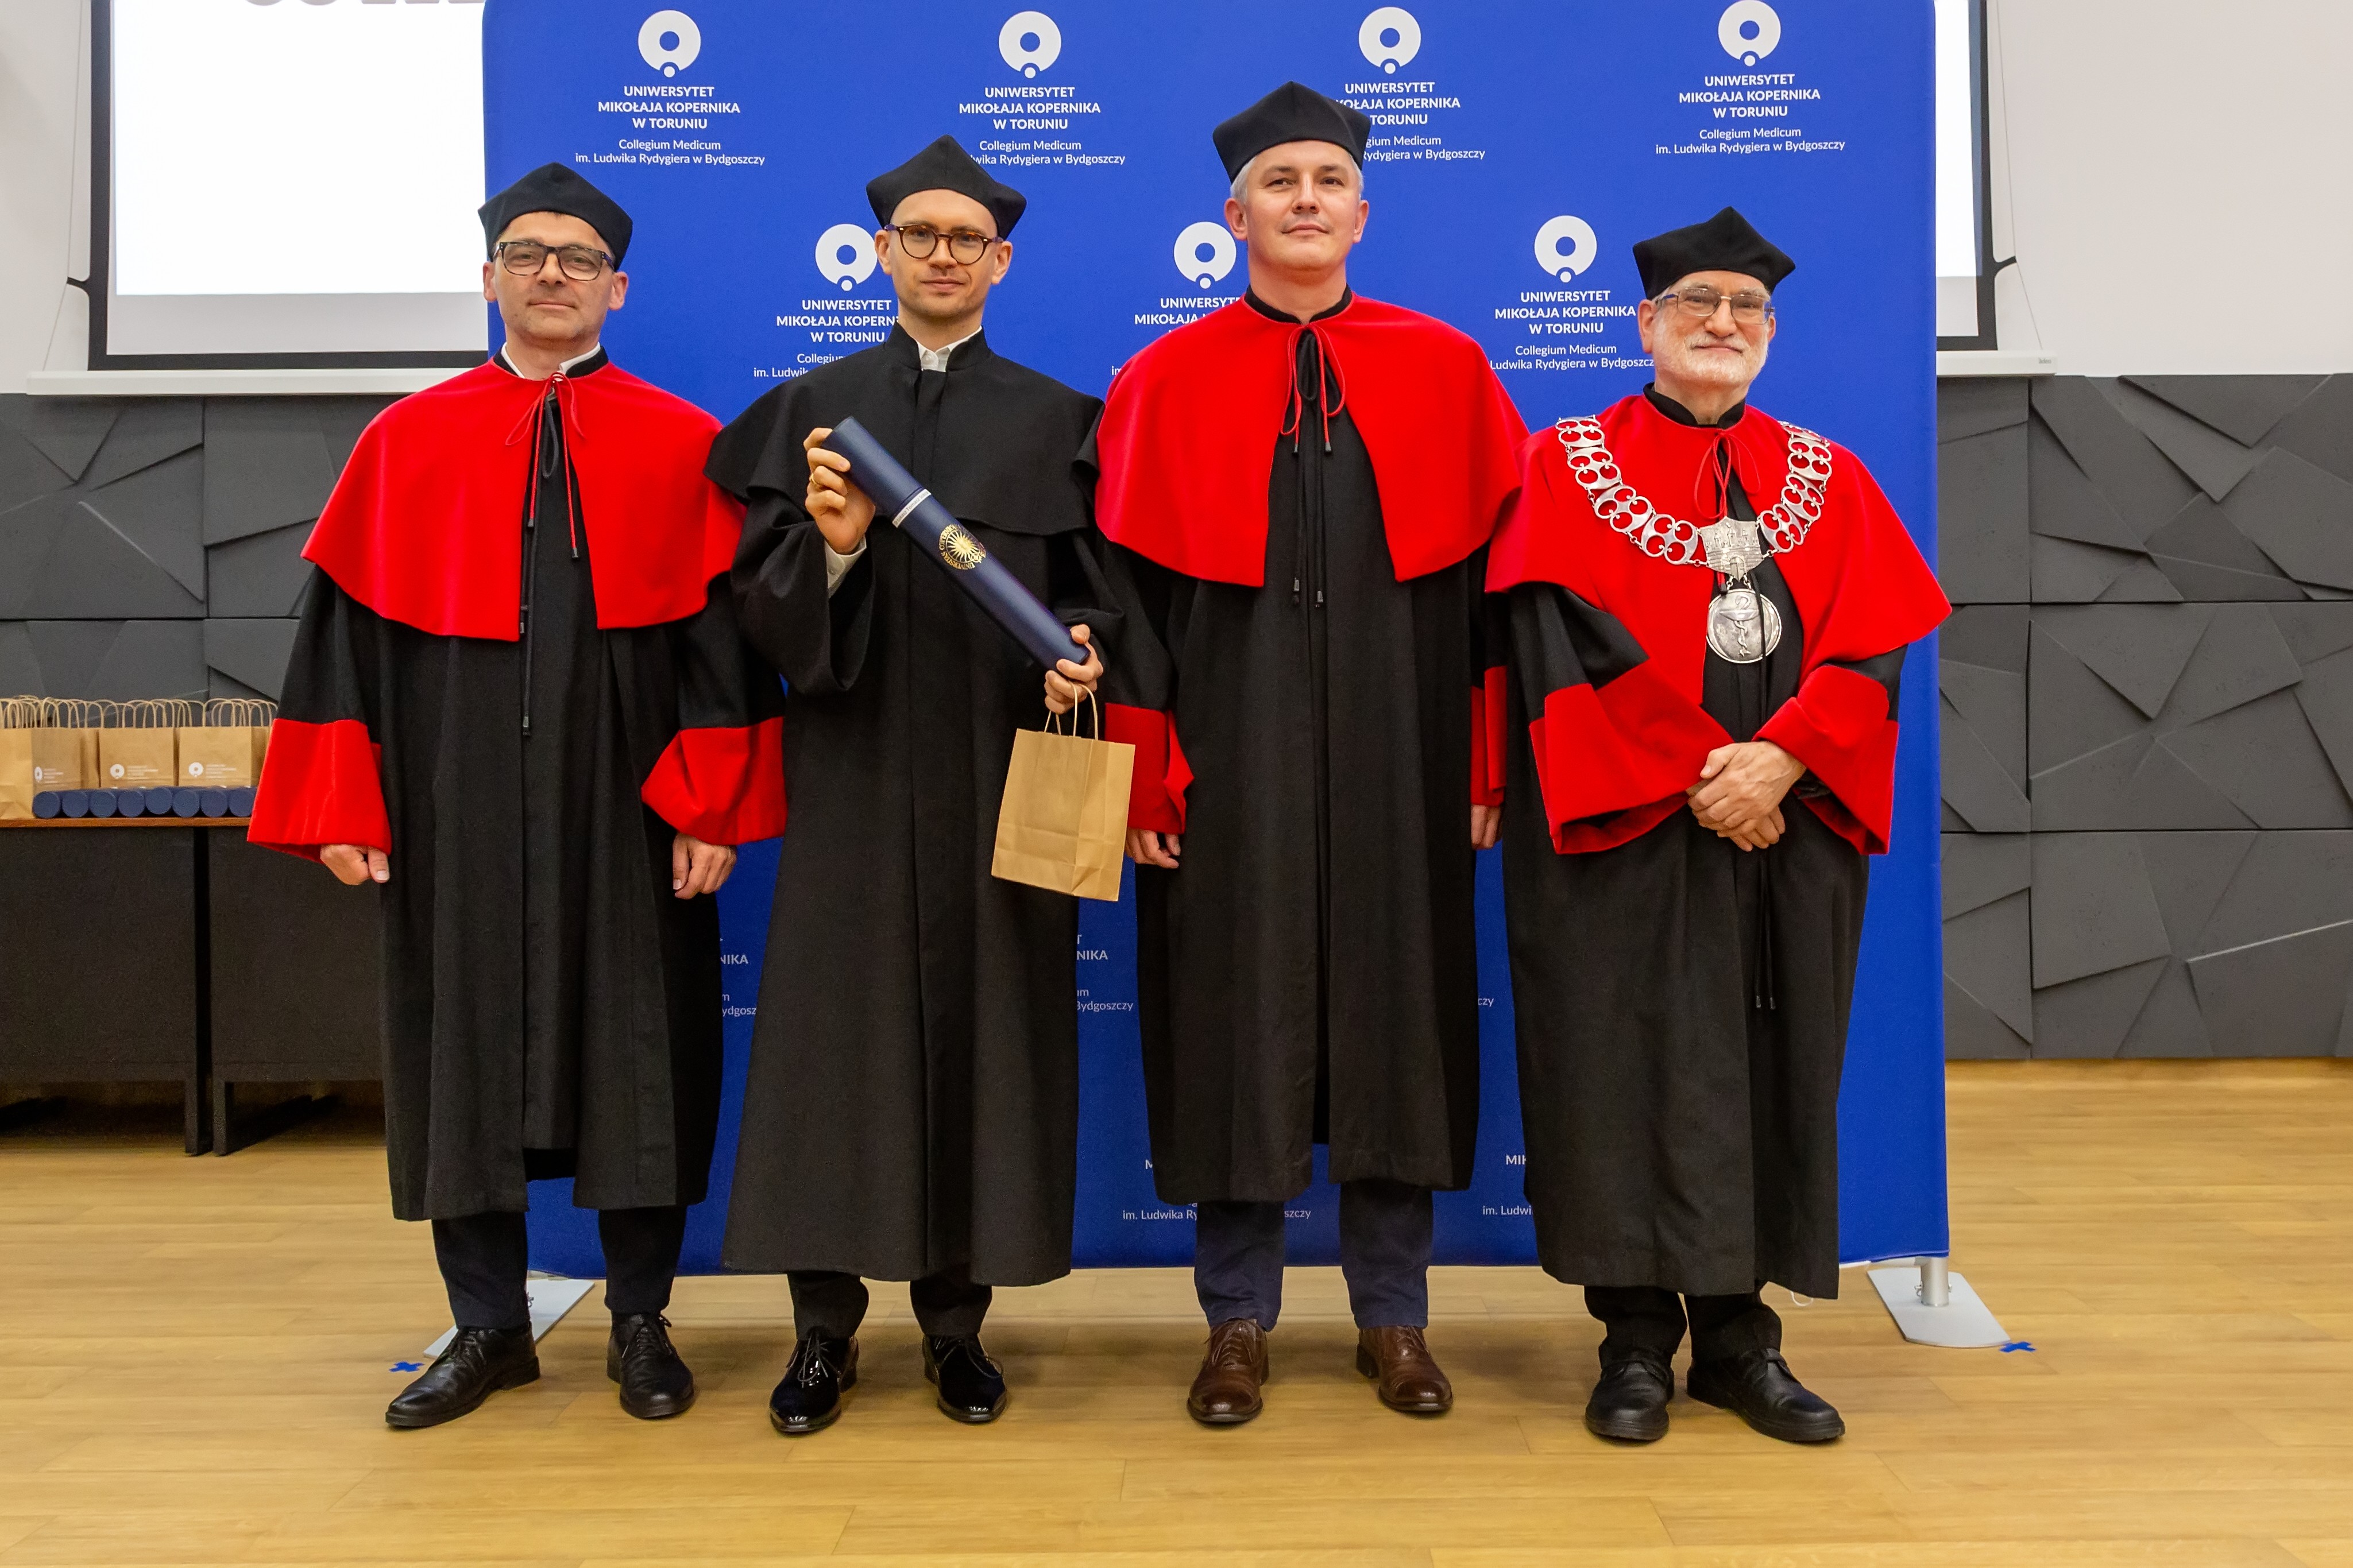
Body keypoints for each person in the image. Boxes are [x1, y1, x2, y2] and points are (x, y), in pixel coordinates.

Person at [249, 164, 787, 1430]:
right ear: (489, 276)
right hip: (454, 801)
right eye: (530, 253)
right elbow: (341, 646)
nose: (554, 272)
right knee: (459, 1052)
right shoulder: (405, 441)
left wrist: (711, 805)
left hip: (630, 805)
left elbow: (723, 649)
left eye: (579, 256)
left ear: (618, 288)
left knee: (643, 1051)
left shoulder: (682, 441)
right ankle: (489, 1325)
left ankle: (642, 1321)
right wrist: (342, 804)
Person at [1085, 83, 1526, 1426]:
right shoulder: (1164, 381)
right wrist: (1144, 765)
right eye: (1280, 182)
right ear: (1235, 216)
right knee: (1235, 1020)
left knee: (1400, 1022)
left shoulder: (1447, 368)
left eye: (1328, 181)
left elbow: (1499, 591)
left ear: (1362, 213)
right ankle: (1237, 1320)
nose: (1306, 200)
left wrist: (1484, 758)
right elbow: (1122, 604)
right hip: (1229, 761)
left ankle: (1394, 1315)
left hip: (1405, 752)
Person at [1485, 207, 1950, 1445]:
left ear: (1771, 335)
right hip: (1625, 830)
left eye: (1747, 309)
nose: (1722, 323)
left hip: (1787, 829)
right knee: (1617, 1064)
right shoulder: (1564, 463)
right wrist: (1704, 771)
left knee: (1769, 1060)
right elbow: (1559, 640)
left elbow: (1876, 639)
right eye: (1697, 302)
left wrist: (1783, 759)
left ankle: (1743, 1345)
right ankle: (1634, 1343)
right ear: (1645, 322)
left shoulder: (1829, 474)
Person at [706, 135, 1142, 1435]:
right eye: (920, 235)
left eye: (968, 239)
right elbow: (756, 608)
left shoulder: (1060, 422)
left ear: (1000, 262)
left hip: (1006, 774)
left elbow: (1100, 598)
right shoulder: (812, 411)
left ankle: (957, 1328)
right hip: (852, 779)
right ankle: (822, 1333)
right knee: (834, 1047)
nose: (943, 255)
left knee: (986, 1039)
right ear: (879, 252)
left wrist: (1085, 651)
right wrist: (836, 553)